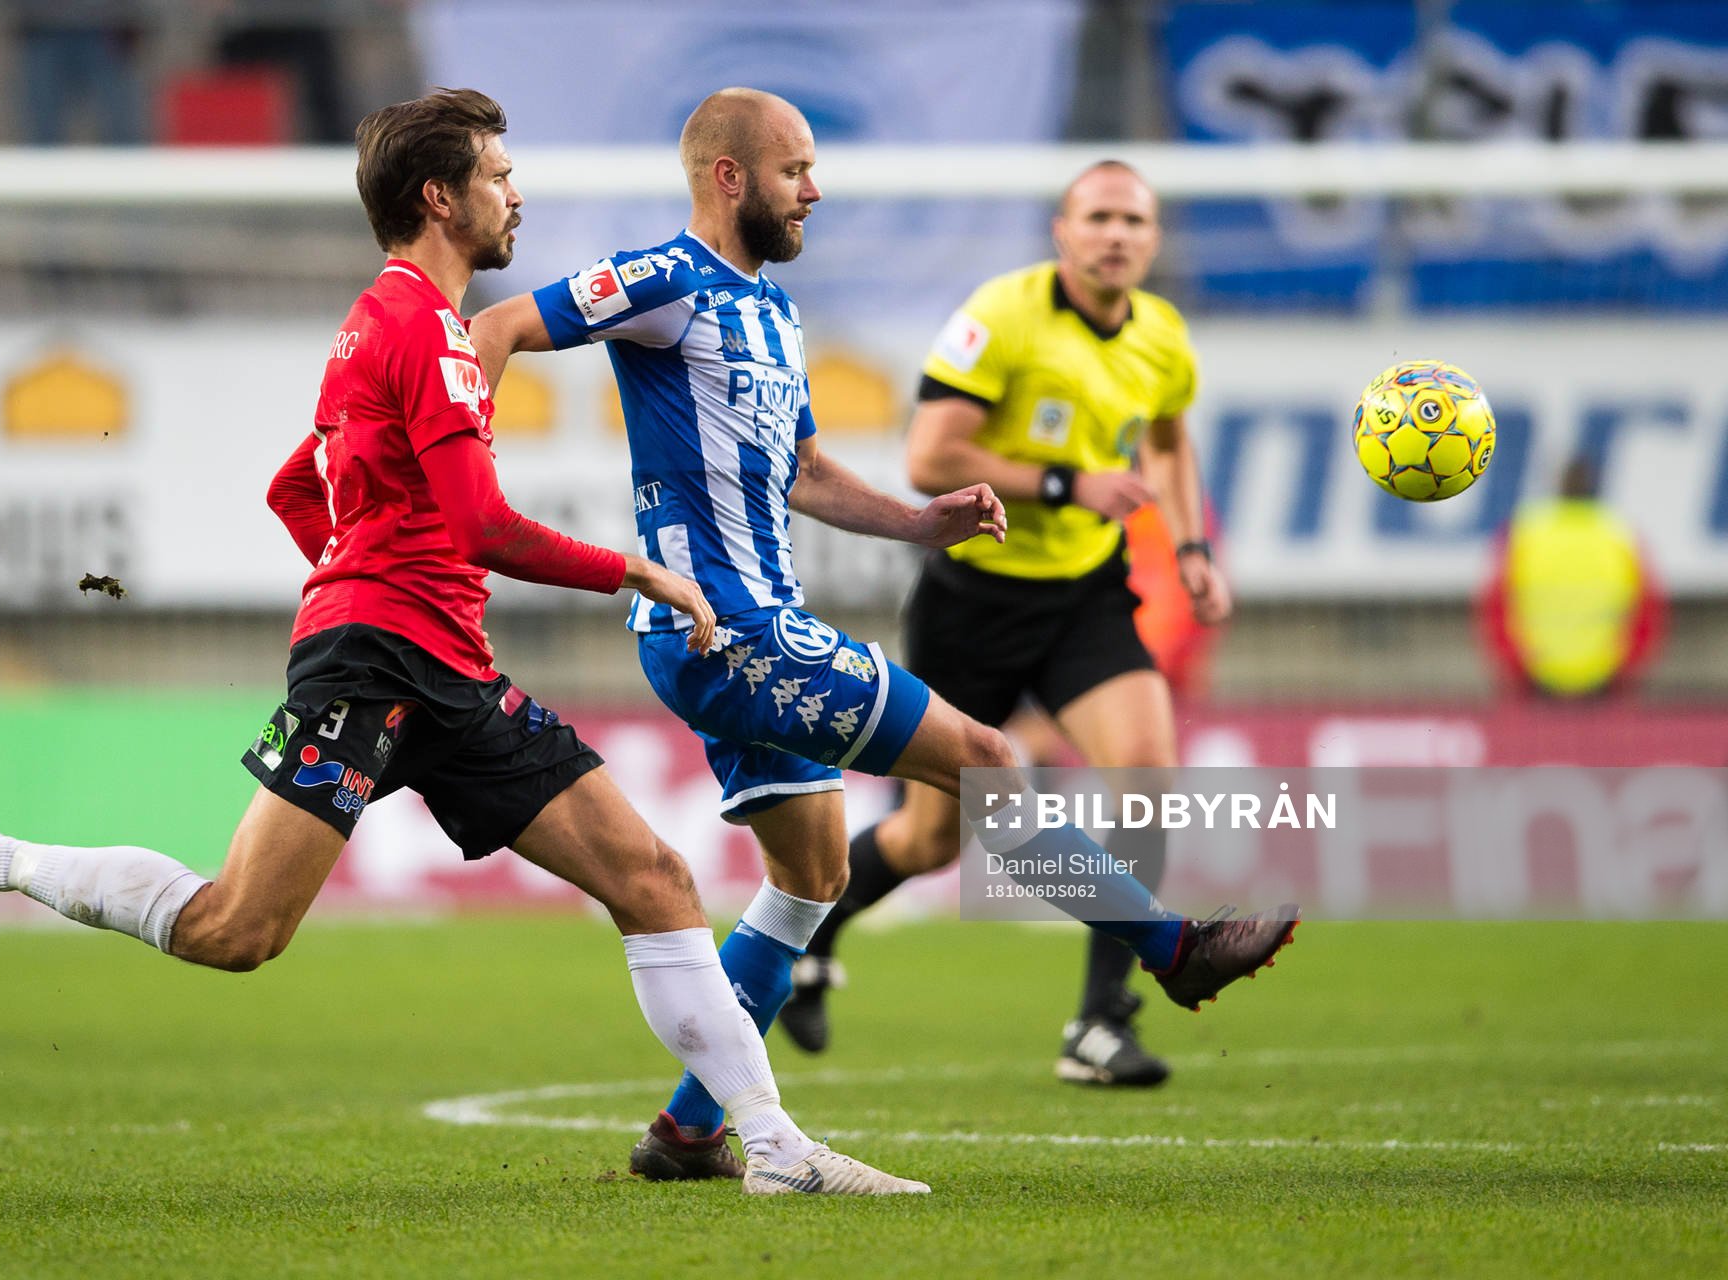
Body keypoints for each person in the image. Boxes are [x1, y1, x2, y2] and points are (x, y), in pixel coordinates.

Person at [0, 87, 928, 1198]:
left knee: (653, 877)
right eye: (499, 175)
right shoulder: (421, 323)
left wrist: (367, 558)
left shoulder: (394, 321)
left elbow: (297, 486)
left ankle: (772, 1150)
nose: (517, 192)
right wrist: (631, 568)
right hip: (373, 663)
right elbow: (480, 526)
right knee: (239, 927)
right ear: (441, 196)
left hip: (448, 667)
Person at [473, 91, 1298, 1181]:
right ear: (729, 177)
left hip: (753, 624)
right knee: (990, 760)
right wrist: (459, 483)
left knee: (812, 878)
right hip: (733, 630)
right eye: (795, 170)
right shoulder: (664, 280)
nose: (814, 189)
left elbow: (807, 471)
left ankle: (688, 1128)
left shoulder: (772, 313)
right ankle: (1172, 951)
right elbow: (496, 327)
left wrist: (919, 520)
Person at [782, 161, 1230, 1090]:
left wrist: (1189, 548)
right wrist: (1070, 482)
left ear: (1152, 239)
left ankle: (1101, 1025)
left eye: (1134, 221)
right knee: (929, 841)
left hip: (1083, 594)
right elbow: (927, 455)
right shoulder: (1005, 316)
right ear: (1062, 231)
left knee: (1147, 777)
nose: (1116, 235)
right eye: (1098, 217)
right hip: (973, 599)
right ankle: (808, 940)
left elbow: (1170, 439)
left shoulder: (1162, 337)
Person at [1478, 456, 1666, 699]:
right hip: (1604, 674)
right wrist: (1627, 668)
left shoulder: (1526, 531)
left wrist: (1515, 665)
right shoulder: (1619, 534)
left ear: (1557, 485)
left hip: (1537, 673)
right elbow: (1647, 611)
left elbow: (1496, 605)